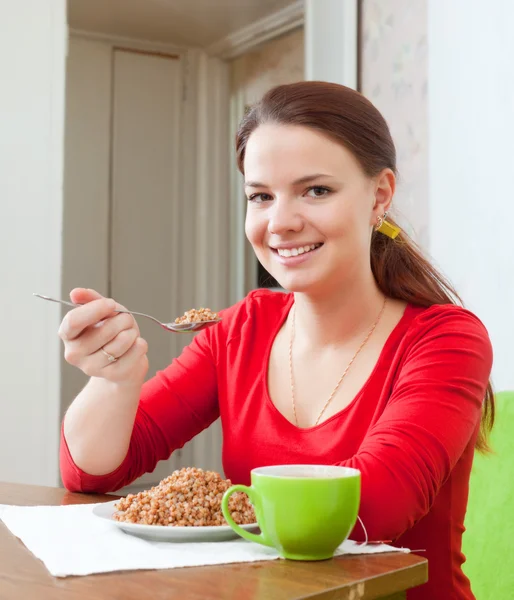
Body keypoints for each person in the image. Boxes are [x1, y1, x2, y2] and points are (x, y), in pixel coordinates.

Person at [59, 82, 493, 600]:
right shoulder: (240, 329)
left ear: (379, 196)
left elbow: (374, 507)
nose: (281, 222)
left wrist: (214, 508)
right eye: (261, 196)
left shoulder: (446, 339)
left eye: (316, 191)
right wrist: (115, 381)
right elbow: (87, 471)